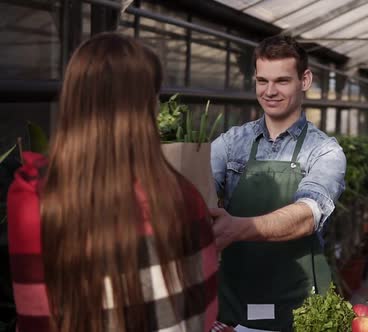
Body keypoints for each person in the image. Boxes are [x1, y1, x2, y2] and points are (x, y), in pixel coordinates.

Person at [7, 33, 220, 332]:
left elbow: (36, 319)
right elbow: (203, 316)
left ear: (72, 100)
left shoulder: (35, 198)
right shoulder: (182, 197)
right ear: (147, 107)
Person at [210, 35, 346, 331]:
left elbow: (308, 215)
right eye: (262, 81)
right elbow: (198, 188)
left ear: (305, 80)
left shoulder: (324, 151)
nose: (270, 91)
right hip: (237, 301)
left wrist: (237, 227)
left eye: (282, 81)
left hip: (300, 305)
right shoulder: (231, 143)